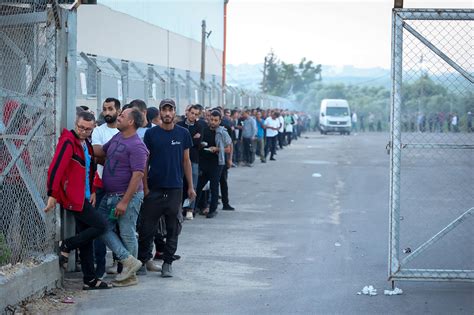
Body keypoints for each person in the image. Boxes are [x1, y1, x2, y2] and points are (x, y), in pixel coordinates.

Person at [44, 111, 112, 290]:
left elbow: (90, 169)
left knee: (87, 239)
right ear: (76, 124)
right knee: (101, 226)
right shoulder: (68, 141)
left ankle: (89, 280)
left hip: (86, 196)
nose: (83, 131)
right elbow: (56, 167)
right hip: (74, 197)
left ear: (92, 129)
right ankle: (67, 244)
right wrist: (52, 193)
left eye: (88, 129)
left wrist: (94, 191)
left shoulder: (87, 144)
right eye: (81, 127)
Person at [137, 99, 196, 278]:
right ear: (160, 113)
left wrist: (191, 187)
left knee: (173, 227)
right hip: (154, 188)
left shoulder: (183, 134)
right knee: (147, 228)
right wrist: (145, 187)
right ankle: (142, 260)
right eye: (164, 110)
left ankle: (167, 262)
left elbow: (186, 161)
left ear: (175, 112)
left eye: (171, 110)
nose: (168, 113)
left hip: (174, 188)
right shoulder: (151, 134)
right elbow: (145, 162)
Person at [91, 97, 121, 279]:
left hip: (121, 188)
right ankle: (99, 269)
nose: (107, 112)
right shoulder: (98, 131)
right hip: (101, 186)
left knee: (120, 227)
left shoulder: (123, 131)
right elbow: (96, 153)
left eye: (111, 109)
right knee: (99, 227)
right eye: (105, 109)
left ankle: (121, 266)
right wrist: (119, 159)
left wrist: (108, 156)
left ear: (118, 110)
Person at [194, 110, 233, 218]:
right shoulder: (203, 130)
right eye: (211, 119)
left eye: (216, 120)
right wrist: (200, 145)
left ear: (220, 121)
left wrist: (217, 149)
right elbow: (198, 145)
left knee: (214, 186)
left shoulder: (222, 132)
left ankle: (212, 210)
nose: (213, 122)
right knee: (198, 186)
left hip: (216, 163)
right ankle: (193, 208)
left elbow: (228, 149)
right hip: (204, 162)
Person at [177, 105, 203, 220]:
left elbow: (198, 142)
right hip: (180, 159)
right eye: (192, 113)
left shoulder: (199, 126)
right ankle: (181, 208)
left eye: (196, 114)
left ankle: (190, 209)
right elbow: (179, 141)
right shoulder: (180, 125)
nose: (193, 116)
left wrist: (189, 140)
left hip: (194, 159)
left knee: (193, 184)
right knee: (180, 184)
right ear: (187, 112)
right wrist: (192, 138)